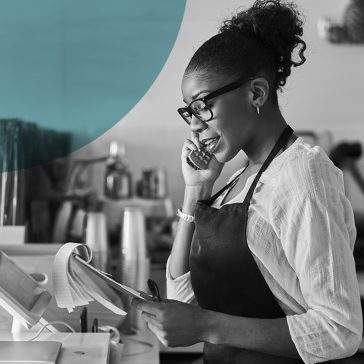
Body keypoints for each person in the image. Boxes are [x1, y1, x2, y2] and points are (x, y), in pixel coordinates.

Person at [132, 1, 363, 362]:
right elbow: (182, 299)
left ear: (256, 93)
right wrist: (196, 190)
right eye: (188, 111)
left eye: (202, 105)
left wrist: (207, 326)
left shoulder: (304, 175)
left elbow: (339, 330)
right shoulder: (238, 179)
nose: (194, 124)